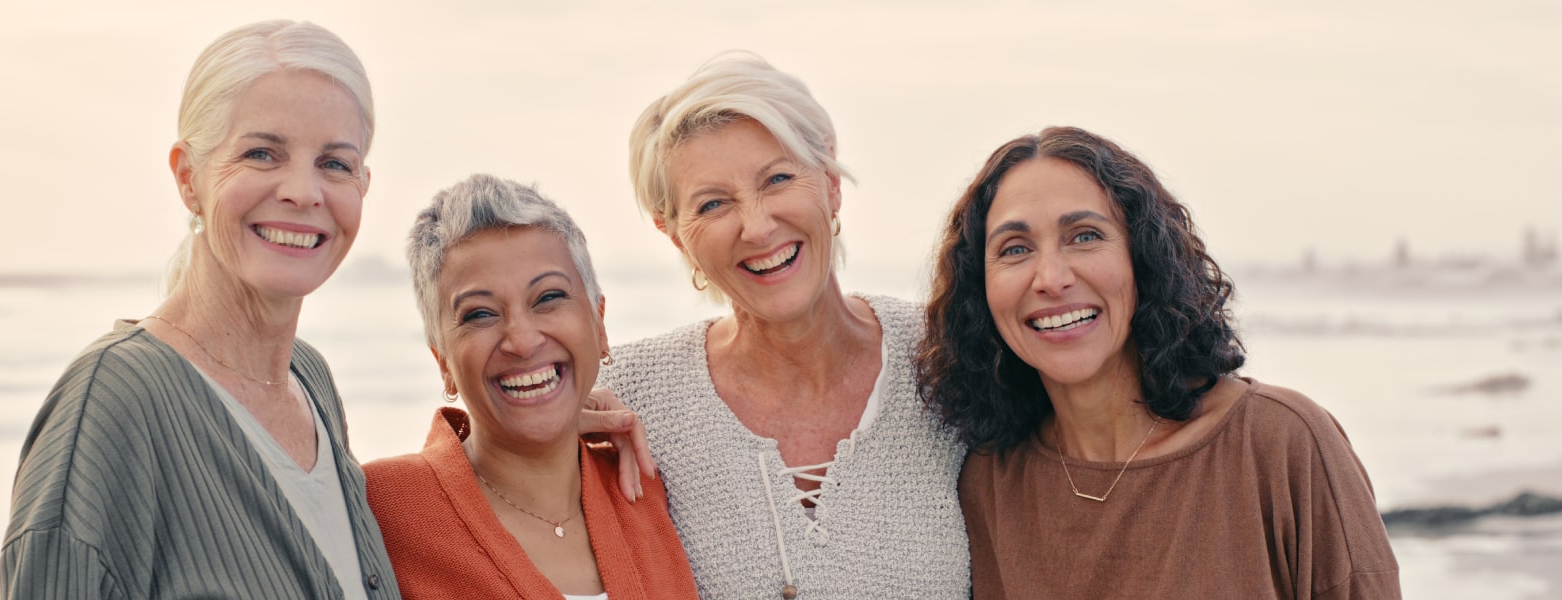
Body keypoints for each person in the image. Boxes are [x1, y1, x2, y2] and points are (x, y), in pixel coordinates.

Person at [0, 20, 398, 599]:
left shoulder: (309, 381)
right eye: (263, 153)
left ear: (362, 184)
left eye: (334, 163)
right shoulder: (111, 405)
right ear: (189, 178)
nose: (304, 191)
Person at [919, 126, 1400, 598]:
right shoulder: (990, 482)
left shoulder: (1281, 444)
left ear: (1143, 257)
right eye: (1015, 249)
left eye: (1084, 236)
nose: (1051, 277)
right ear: (980, 287)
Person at [601, 53, 972, 598]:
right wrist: (546, 435)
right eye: (712, 204)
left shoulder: (952, 355)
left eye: (777, 179)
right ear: (675, 234)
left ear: (829, 180)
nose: (756, 226)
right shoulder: (627, 398)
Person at [364, 174, 699, 600]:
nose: (522, 341)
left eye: (547, 298)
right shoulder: (384, 507)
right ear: (442, 362)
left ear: (599, 324)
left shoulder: (644, 488)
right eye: (479, 315)